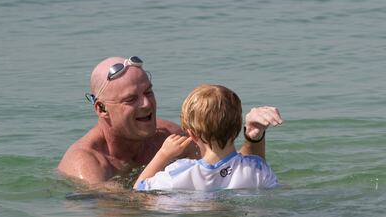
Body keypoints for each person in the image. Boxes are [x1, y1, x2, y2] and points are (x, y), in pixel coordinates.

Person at [57, 56, 283, 187]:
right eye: (131, 99)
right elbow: (129, 208)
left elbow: (230, 170)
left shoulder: (168, 136)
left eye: (149, 92)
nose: (147, 104)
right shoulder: (87, 165)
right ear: (101, 108)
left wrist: (253, 137)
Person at [134, 84, 279, 191]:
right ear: (238, 127)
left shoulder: (177, 174)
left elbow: (139, 189)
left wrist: (163, 155)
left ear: (192, 134)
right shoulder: (257, 169)